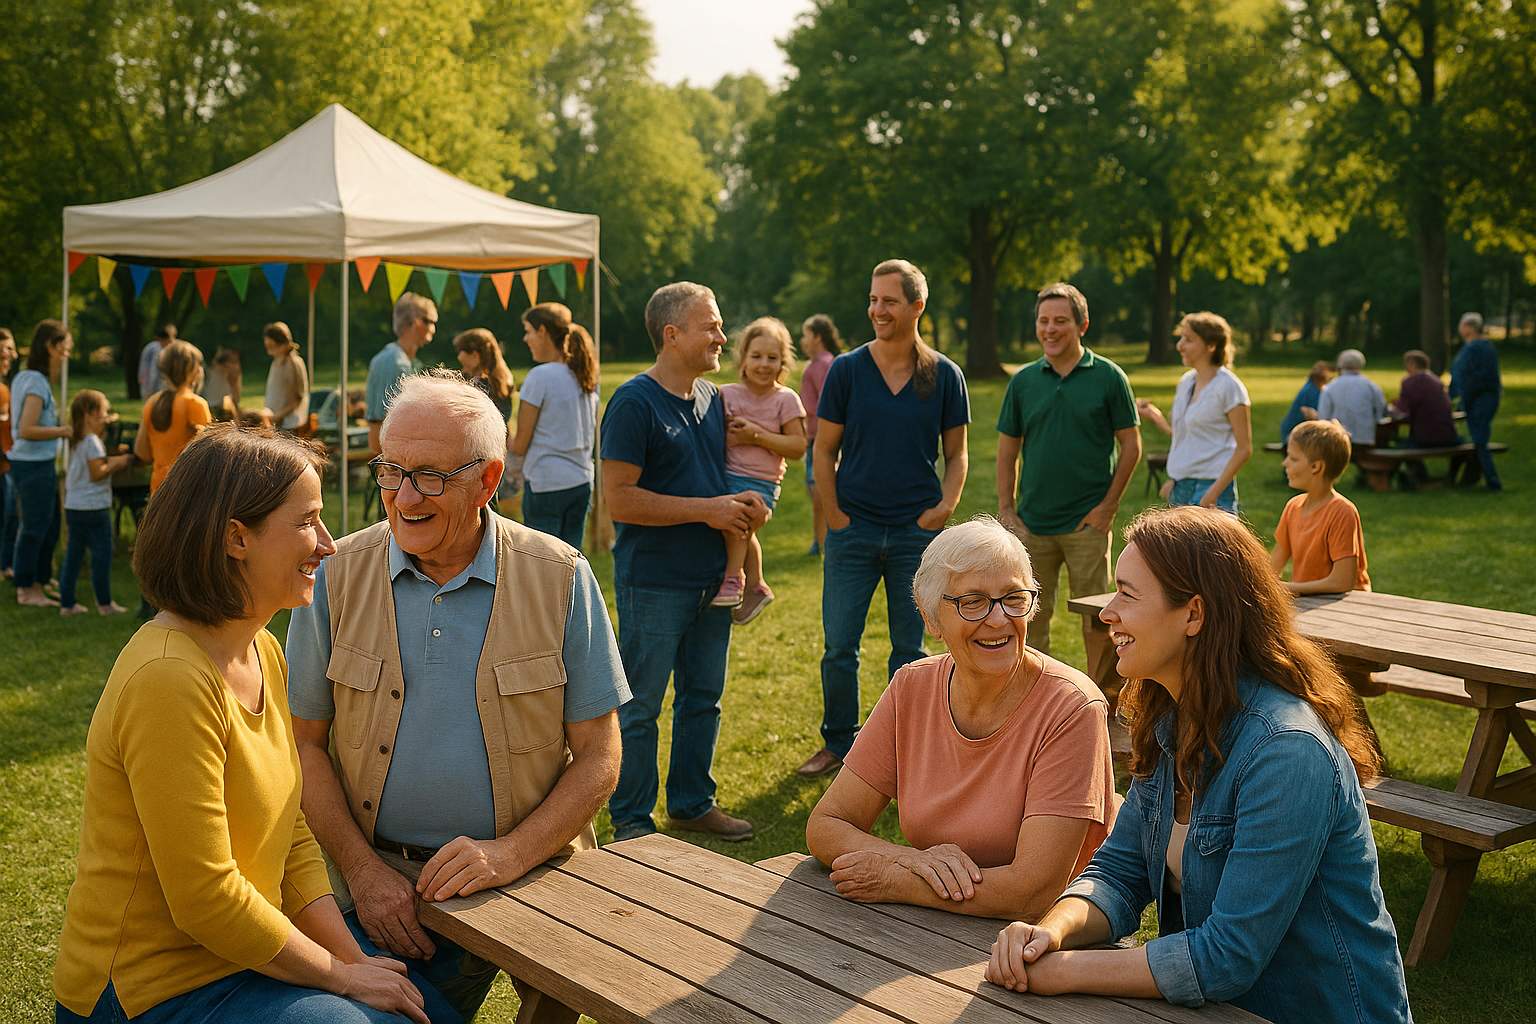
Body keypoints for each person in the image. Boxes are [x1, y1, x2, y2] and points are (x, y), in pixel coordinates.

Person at [54, 425, 458, 1024]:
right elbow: (205, 899)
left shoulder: (262, 649)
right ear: (235, 538)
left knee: (428, 1013)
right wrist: (342, 977)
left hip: (248, 958)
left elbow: (291, 836)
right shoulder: (168, 678)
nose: (328, 544)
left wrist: (355, 964)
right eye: (308, 521)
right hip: (151, 991)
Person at [287, 372, 628, 1023]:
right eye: (391, 471)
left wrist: (510, 855)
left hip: (535, 876)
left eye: (429, 476)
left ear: (488, 480)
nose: (404, 496)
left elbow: (600, 755)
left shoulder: (560, 576)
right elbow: (303, 746)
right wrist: (362, 871)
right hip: (376, 887)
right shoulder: (334, 575)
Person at [986, 506, 1411, 1024]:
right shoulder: (1173, 719)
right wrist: (1050, 933)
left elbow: (1226, 957)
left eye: (1127, 595)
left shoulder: (1286, 751)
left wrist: (1064, 971)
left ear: (1193, 615)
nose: (1107, 613)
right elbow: (1119, 873)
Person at [806, 517, 1116, 919]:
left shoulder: (1071, 708)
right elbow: (827, 824)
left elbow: (1033, 893)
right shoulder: (912, 687)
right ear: (930, 618)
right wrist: (907, 858)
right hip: (937, 921)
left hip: (1041, 935)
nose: (999, 619)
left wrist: (899, 879)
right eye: (973, 602)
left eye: (1014, 597)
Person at [601, 282, 770, 841]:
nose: (723, 336)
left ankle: (692, 803)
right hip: (655, 581)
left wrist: (747, 505)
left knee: (703, 699)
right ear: (672, 335)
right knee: (641, 705)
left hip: (713, 579)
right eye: (711, 326)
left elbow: (725, 476)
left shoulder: (714, 399)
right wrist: (709, 510)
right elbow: (619, 500)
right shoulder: (633, 402)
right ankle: (631, 819)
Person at [797, 259, 970, 780]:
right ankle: (838, 743)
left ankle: (903, 750)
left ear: (917, 306)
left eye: (888, 301)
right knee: (839, 648)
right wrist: (835, 517)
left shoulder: (944, 374)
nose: (877, 309)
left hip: (917, 533)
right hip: (854, 530)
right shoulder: (847, 370)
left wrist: (944, 507)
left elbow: (957, 454)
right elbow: (823, 449)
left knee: (909, 650)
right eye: (873, 300)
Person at [996, 283, 1140, 657]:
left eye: (1060, 320)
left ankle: (1105, 694)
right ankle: (1030, 693)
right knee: (1026, 621)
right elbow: (1007, 451)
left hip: (1087, 525)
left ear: (1082, 325)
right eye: (1043, 321)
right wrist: (1007, 510)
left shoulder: (1109, 376)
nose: (1050, 329)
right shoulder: (1023, 381)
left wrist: (1108, 507)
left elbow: (1131, 445)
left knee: (1101, 622)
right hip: (1031, 526)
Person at [715, 317, 807, 624]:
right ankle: (756, 584)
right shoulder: (726, 395)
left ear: (783, 362)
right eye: (756, 356)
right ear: (742, 358)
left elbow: (798, 447)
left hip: (761, 483)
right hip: (725, 476)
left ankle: (734, 579)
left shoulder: (785, 399)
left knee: (737, 519)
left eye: (772, 357)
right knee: (739, 526)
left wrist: (755, 435)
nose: (764, 364)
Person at [1135, 313, 1251, 513]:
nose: (1179, 346)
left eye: (1188, 340)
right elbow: (1187, 436)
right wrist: (1175, 478)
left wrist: (1213, 492)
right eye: (1181, 338)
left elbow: (1244, 449)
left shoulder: (1229, 387)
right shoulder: (1186, 382)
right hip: (1181, 487)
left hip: (1212, 488)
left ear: (1211, 345)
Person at [514, 304, 601, 550]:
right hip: (581, 481)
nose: (525, 338)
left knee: (541, 563)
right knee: (571, 562)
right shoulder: (583, 374)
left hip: (547, 484)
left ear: (542, 331)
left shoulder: (539, 376)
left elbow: (520, 445)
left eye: (528, 331)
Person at [10, 320, 74, 607]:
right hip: (33, 465)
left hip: (36, 463)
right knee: (35, 527)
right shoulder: (35, 381)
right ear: (50, 346)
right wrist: (63, 431)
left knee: (49, 524)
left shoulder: (27, 377)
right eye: (64, 350)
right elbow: (26, 429)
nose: (66, 356)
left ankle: (41, 580)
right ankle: (26, 589)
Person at [1273, 419, 1371, 596]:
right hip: (1309, 600)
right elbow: (1273, 568)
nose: (1284, 463)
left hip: (1349, 603)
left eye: (1293, 458)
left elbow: (1343, 581)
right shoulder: (1293, 507)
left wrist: (1289, 588)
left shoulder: (1342, 512)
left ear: (1316, 467)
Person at [59, 390, 133, 616]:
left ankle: (67, 604)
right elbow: (97, 473)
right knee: (101, 553)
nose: (106, 419)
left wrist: (111, 458)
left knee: (74, 554)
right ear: (88, 415)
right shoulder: (92, 440)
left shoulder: (76, 440)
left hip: (74, 505)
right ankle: (105, 604)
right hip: (93, 506)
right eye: (103, 413)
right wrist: (120, 462)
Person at [135, 340, 213, 494]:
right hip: (190, 489)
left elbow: (142, 452)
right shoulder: (195, 403)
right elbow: (210, 453)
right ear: (193, 370)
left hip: (159, 488)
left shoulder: (151, 403)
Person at [367, 292, 436, 455]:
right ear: (407, 324)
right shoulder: (393, 362)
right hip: (390, 453)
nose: (432, 329)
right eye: (427, 321)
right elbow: (383, 420)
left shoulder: (410, 362)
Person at [798, 314, 841, 555]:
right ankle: (819, 539)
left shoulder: (824, 365)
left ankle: (824, 541)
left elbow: (829, 404)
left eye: (806, 335)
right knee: (814, 490)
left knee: (819, 491)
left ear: (817, 337)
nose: (803, 341)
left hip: (819, 437)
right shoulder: (816, 364)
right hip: (811, 436)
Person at [1449, 312, 1502, 491]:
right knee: (1479, 439)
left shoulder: (1472, 349)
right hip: (1489, 398)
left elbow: (1464, 376)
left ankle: (1492, 481)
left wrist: (1455, 396)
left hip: (1478, 400)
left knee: (1479, 440)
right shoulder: (1488, 347)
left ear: (1468, 328)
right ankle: (1471, 477)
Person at [1314, 348, 1385, 446]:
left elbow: (1323, 417)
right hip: (1365, 439)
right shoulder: (1371, 386)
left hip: (1337, 440)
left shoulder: (1330, 387)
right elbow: (1380, 410)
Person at [452, 328, 515, 423]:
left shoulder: (476, 387)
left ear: (475, 355)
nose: (459, 357)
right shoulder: (503, 384)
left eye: (461, 351)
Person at [262, 323, 310, 431]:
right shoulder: (276, 362)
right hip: (276, 422)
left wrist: (277, 417)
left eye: (271, 345)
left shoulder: (292, 363)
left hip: (288, 424)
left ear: (281, 345)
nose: (268, 348)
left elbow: (296, 399)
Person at [0, 328, 18, 582]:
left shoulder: (5, 389)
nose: (13, 355)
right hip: (5, 463)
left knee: (9, 515)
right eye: (7, 349)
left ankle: (5, 565)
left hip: (6, 464)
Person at [1278, 361, 1330, 444]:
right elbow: (1317, 414)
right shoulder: (1311, 392)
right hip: (1294, 434)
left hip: (1293, 431)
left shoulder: (1310, 387)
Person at [136, 324, 175, 399]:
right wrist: (149, 388)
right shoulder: (154, 350)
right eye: (168, 341)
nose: (170, 343)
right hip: (152, 384)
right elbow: (150, 370)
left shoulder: (165, 349)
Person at [203, 347, 243, 419]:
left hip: (226, 408)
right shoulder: (210, 371)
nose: (231, 366)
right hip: (211, 407)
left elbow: (236, 398)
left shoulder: (233, 372)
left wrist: (233, 380)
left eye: (234, 362)